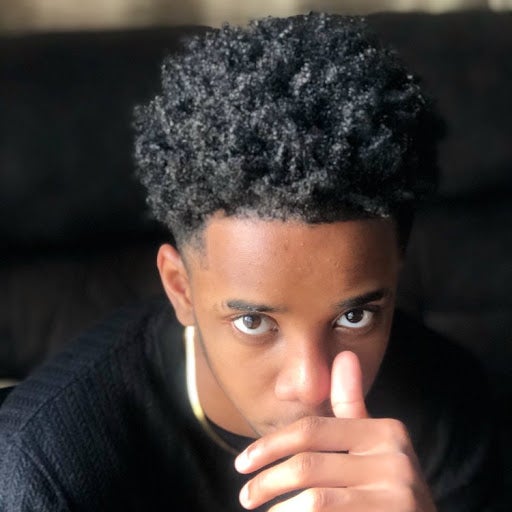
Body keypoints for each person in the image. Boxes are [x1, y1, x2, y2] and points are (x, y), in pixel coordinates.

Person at [0, 12, 500, 512]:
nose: (310, 386)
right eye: (254, 321)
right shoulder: (44, 467)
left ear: (396, 269)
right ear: (181, 288)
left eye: (355, 316)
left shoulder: (448, 405)